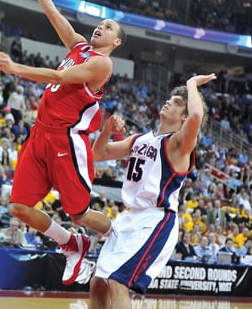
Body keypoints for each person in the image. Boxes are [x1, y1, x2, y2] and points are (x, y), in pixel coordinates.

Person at [0, 0, 126, 286]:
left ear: (116, 41)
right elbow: (53, 15)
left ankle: (125, 235)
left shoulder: (102, 64)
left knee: (78, 212)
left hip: (67, 139)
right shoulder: (79, 48)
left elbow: (59, 78)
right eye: (100, 23)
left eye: (108, 27)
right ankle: (72, 243)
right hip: (40, 136)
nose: (100, 27)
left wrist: (15, 67)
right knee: (18, 208)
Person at [89, 73, 216, 309]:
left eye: (178, 103)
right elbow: (99, 154)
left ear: (184, 117)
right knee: (98, 281)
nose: (169, 101)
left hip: (156, 219)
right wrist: (106, 132)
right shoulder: (140, 139)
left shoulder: (179, 143)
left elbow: (197, 115)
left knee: (118, 282)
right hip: (129, 218)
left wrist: (191, 84)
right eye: (171, 99)